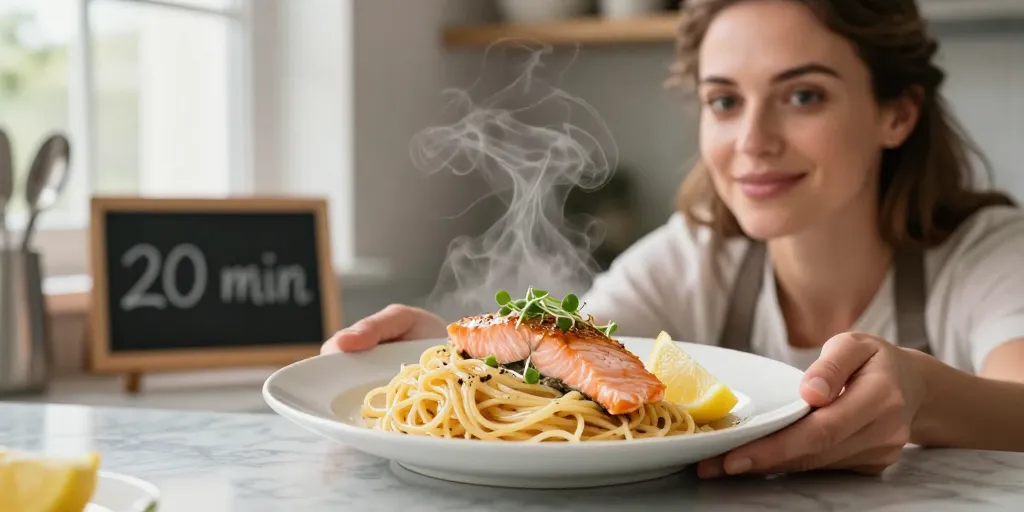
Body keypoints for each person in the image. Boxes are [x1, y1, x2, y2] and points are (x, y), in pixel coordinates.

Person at [322, 0, 1024, 478]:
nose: (752, 140)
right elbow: (575, 354)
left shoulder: (985, 254)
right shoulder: (693, 254)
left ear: (897, 114)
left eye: (803, 95)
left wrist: (923, 395)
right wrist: (453, 364)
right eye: (724, 101)